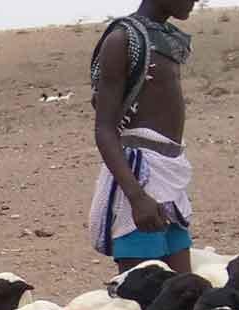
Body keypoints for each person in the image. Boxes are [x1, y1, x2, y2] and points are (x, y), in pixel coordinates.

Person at [89, 0, 198, 272]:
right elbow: (104, 129)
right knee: (143, 291)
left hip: (170, 174)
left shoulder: (164, 38)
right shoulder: (122, 40)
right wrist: (136, 196)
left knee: (185, 289)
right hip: (140, 176)